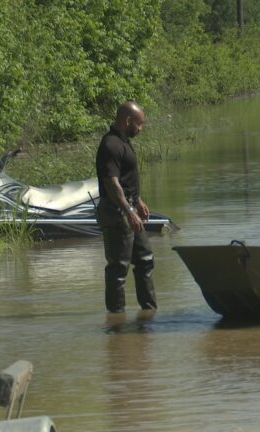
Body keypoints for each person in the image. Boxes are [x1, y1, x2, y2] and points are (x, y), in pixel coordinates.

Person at [95, 101, 157, 313]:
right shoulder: (110, 145)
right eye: (139, 124)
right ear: (127, 120)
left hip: (129, 209)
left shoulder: (123, 142)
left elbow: (125, 178)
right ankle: (116, 322)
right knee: (118, 268)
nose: (140, 129)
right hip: (116, 212)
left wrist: (137, 201)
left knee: (145, 260)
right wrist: (128, 211)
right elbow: (112, 184)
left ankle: (149, 313)